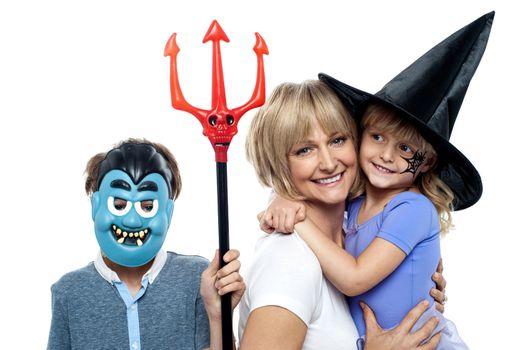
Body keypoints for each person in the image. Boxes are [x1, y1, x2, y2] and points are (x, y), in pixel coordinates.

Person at [259, 12, 494, 349]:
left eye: (405, 148)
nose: (387, 155)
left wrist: (295, 220)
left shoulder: (413, 209)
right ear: (361, 133)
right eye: (378, 137)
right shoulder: (351, 208)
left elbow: (354, 279)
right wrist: (278, 197)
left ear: (426, 161)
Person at [239, 80, 445, 350]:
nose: (327, 163)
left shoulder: (353, 227)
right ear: (277, 164)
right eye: (304, 150)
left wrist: (417, 287)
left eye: (337, 140)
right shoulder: (289, 262)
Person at [47, 138, 245, 350]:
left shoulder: (197, 279)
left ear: (168, 212)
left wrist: (218, 316)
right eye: (119, 204)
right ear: (96, 206)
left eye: (147, 206)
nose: (132, 221)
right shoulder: (69, 291)